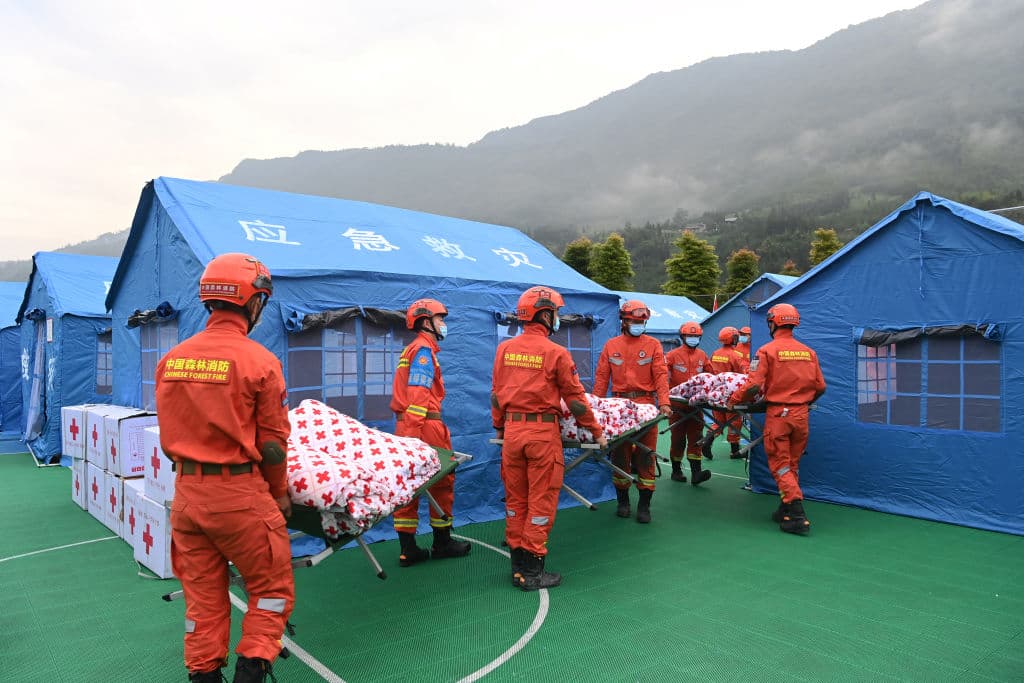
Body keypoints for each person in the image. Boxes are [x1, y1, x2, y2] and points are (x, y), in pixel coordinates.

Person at [156, 253, 292, 683]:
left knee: (204, 603)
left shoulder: (172, 359)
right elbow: (272, 446)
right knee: (269, 590)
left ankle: (204, 675)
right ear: (253, 301)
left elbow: (170, 435)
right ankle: (253, 668)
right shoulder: (260, 362)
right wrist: (280, 492)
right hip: (239, 498)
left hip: (188, 500)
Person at [491, 285, 607, 591]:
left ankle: (517, 565)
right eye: (555, 313)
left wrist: (500, 428)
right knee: (540, 502)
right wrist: (595, 431)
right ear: (545, 314)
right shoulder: (556, 353)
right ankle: (531, 572)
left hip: (513, 434)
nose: (558, 318)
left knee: (516, 501)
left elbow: (496, 394)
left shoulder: (505, 349)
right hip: (541, 434)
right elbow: (576, 400)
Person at [730, 303, 825, 535]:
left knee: (781, 465)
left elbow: (753, 386)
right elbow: (820, 386)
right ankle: (784, 507)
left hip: (779, 416)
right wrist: (802, 400)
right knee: (792, 463)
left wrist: (734, 399)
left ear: (773, 322)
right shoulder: (808, 352)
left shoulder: (767, 351)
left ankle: (797, 515)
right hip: (801, 416)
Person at [390, 298, 471, 566]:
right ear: (426, 322)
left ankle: (408, 548)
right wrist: (414, 437)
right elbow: (419, 394)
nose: (443, 324)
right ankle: (442, 543)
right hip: (425, 425)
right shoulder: (424, 351)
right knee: (442, 481)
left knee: (409, 485)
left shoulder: (412, 350)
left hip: (409, 425)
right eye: (440, 319)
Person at [593, 300, 672, 523]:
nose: (640, 324)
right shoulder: (611, 345)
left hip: (647, 406)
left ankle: (644, 506)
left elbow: (660, 375)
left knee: (646, 456)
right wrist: (596, 407)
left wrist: (664, 402)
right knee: (620, 456)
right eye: (636, 321)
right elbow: (601, 378)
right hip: (619, 407)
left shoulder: (654, 344)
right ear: (624, 321)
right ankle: (623, 502)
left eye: (642, 321)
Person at [664, 322, 712, 486]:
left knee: (696, 437)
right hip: (677, 407)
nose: (693, 339)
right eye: (690, 336)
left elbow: (711, 376)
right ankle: (676, 471)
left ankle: (696, 473)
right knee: (678, 439)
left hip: (696, 407)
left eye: (696, 336)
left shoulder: (702, 356)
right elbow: (663, 379)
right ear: (682, 337)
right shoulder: (671, 356)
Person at [701, 325, 749, 461]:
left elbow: (710, 371)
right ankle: (734, 451)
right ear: (733, 338)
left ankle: (708, 439)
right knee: (735, 421)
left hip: (716, 394)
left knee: (718, 421)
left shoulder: (716, 353)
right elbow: (741, 377)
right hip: (731, 396)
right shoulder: (735, 356)